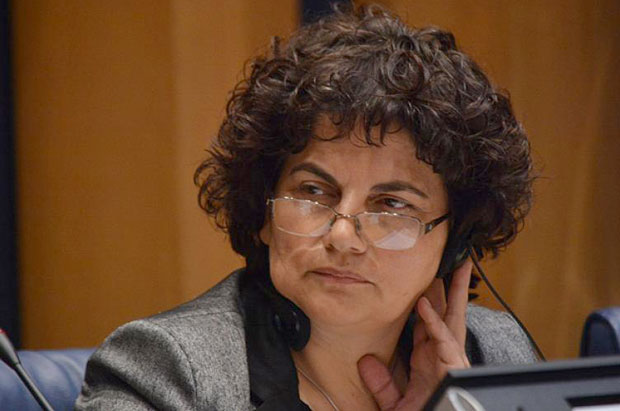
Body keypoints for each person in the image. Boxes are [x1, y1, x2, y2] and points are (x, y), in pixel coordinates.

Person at [75, 4, 537, 410]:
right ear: (265, 214)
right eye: (314, 192)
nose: (342, 236)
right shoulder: (168, 371)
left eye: (391, 205)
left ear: (455, 241)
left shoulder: (496, 357)